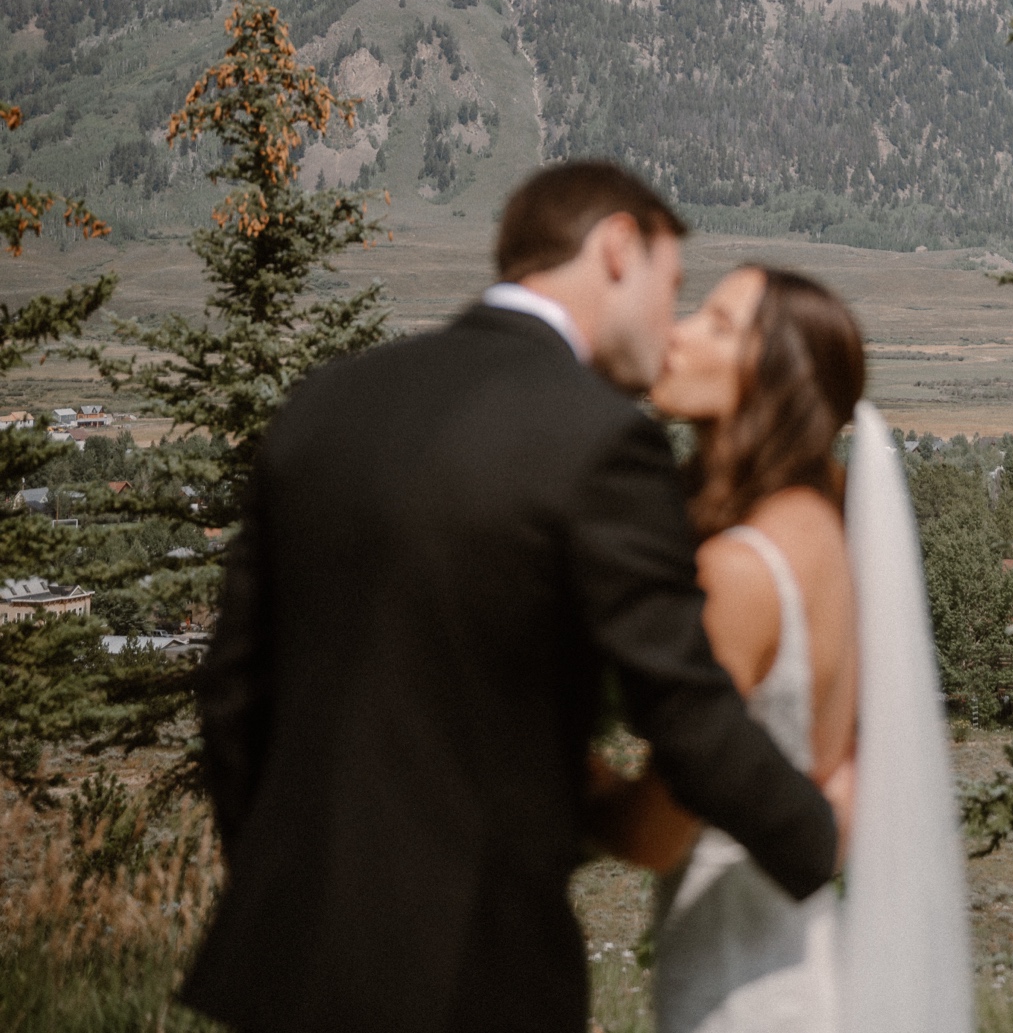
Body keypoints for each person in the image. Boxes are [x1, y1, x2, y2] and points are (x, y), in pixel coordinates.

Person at [182, 162, 846, 1033]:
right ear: (617, 248)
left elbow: (232, 691)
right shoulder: (599, 438)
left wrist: (282, 880)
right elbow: (685, 711)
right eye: (673, 285)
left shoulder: (326, 400)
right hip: (475, 974)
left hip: (286, 971)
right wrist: (823, 839)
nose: (670, 328)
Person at [590, 262, 972, 1033]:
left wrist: (559, 766)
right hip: (800, 960)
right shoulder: (829, 536)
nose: (678, 331)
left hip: (739, 990)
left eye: (718, 324)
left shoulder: (739, 573)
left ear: (774, 383)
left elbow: (655, 834)